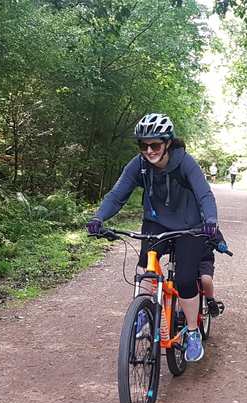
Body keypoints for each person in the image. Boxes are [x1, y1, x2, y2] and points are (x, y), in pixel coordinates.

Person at [87, 113, 219, 362]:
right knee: (145, 271)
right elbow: (117, 195)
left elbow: (205, 196)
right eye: (143, 145)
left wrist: (210, 221)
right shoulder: (138, 165)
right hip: (156, 223)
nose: (149, 150)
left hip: (189, 227)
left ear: (167, 142)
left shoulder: (185, 163)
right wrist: (98, 218)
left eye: (155, 145)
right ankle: (143, 314)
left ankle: (192, 333)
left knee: (184, 280)